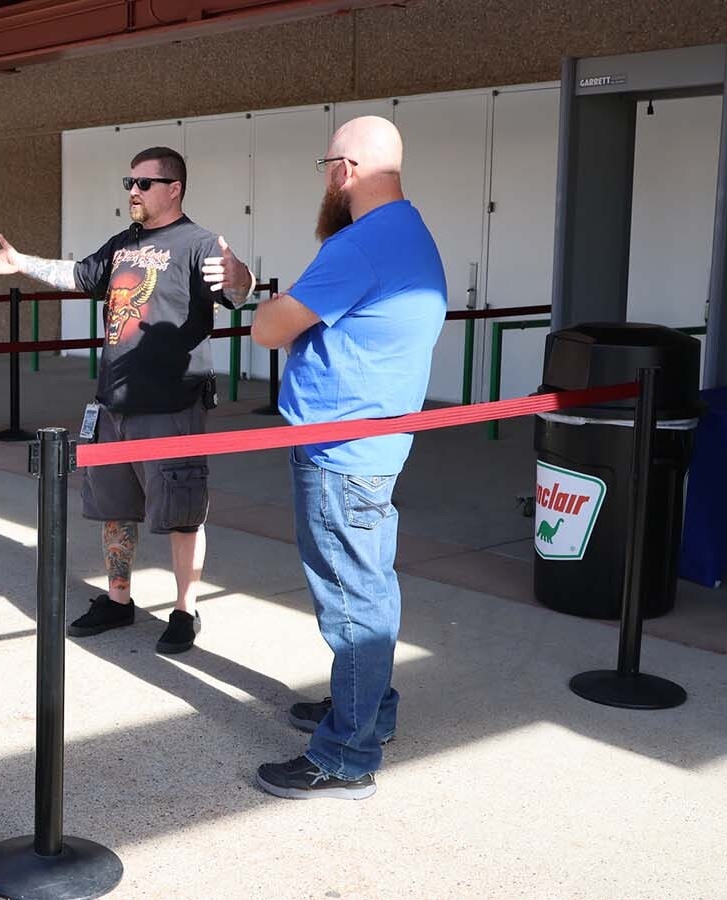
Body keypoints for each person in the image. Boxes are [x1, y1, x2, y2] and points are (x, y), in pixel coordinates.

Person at [237, 116, 445, 800]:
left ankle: (345, 756)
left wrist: (260, 298)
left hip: (340, 451)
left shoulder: (359, 245)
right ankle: (369, 713)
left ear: (344, 170)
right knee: (369, 587)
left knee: (351, 603)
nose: (327, 177)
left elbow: (270, 328)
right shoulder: (411, 231)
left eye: (328, 163)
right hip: (373, 444)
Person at [0, 146, 252, 654]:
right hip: (113, 404)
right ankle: (118, 599)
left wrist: (240, 278)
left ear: (174, 189)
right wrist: (21, 264)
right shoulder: (124, 244)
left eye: (144, 183)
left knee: (182, 509)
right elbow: (80, 274)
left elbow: (236, 291)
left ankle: (186, 611)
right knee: (116, 510)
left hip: (171, 404)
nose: (134, 192)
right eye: (129, 182)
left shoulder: (200, 243)